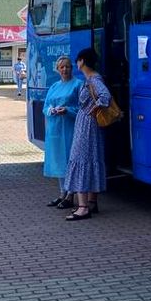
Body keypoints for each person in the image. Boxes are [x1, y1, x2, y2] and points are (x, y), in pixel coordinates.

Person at [63, 47, 111, 221]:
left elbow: (105, 96)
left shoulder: (93, 79)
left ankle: (82, 207)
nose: (77, 63)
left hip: (87, 126)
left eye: (78, 60)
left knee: (80, 158)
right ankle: (91, 201)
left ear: (82, 61)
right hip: (89, 125)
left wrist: (94, 107)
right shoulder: (92, 79)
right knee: (91, 159)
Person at [42, 55, 80, 209]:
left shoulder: (78, 85)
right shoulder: (54, 86)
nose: (65, 69)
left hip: (69, 128)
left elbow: (82, 109)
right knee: (58, 161)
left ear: (72, 68)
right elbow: (45, 107)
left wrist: (68, 110)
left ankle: (71, 195)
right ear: (57, 70)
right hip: (55, 129)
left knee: (70, 161)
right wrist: (51, 110)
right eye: (62, 67)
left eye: (68, 66)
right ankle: (62, 193)